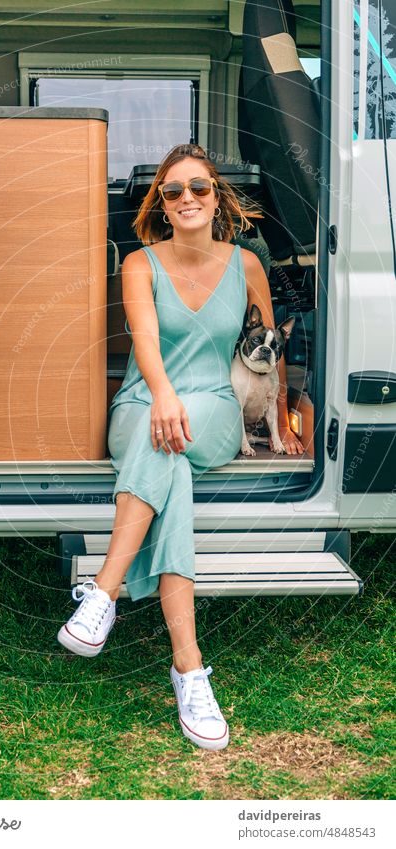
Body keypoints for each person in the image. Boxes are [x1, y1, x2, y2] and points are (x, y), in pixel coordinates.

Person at [57, 143, 305, 751]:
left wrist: (284, 423)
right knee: (167, 453)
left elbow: (269, 353)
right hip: (144, 403)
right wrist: (163, 394)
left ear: (216, 197)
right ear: (161, 205)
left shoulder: (247, 264)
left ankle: (104, 593)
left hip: (217, 408)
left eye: (199, 187)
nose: (187, 198)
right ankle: (189, 670)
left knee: (169, 440)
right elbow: (144, 341)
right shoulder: (139, 264)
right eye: (173, 191)